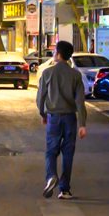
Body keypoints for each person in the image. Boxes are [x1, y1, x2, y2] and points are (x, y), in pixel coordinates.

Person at [35, 40, 88, 200]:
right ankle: (65, 189)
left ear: (58, 54)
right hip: (70, 118)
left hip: (54, 118)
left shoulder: (48, 73)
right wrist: (82, 124)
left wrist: (43, 114)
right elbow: (80, 101)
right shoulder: (76, 75)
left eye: (55, 51)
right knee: (68, 153)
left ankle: (51, 176)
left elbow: (40, 97)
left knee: (51, 150)